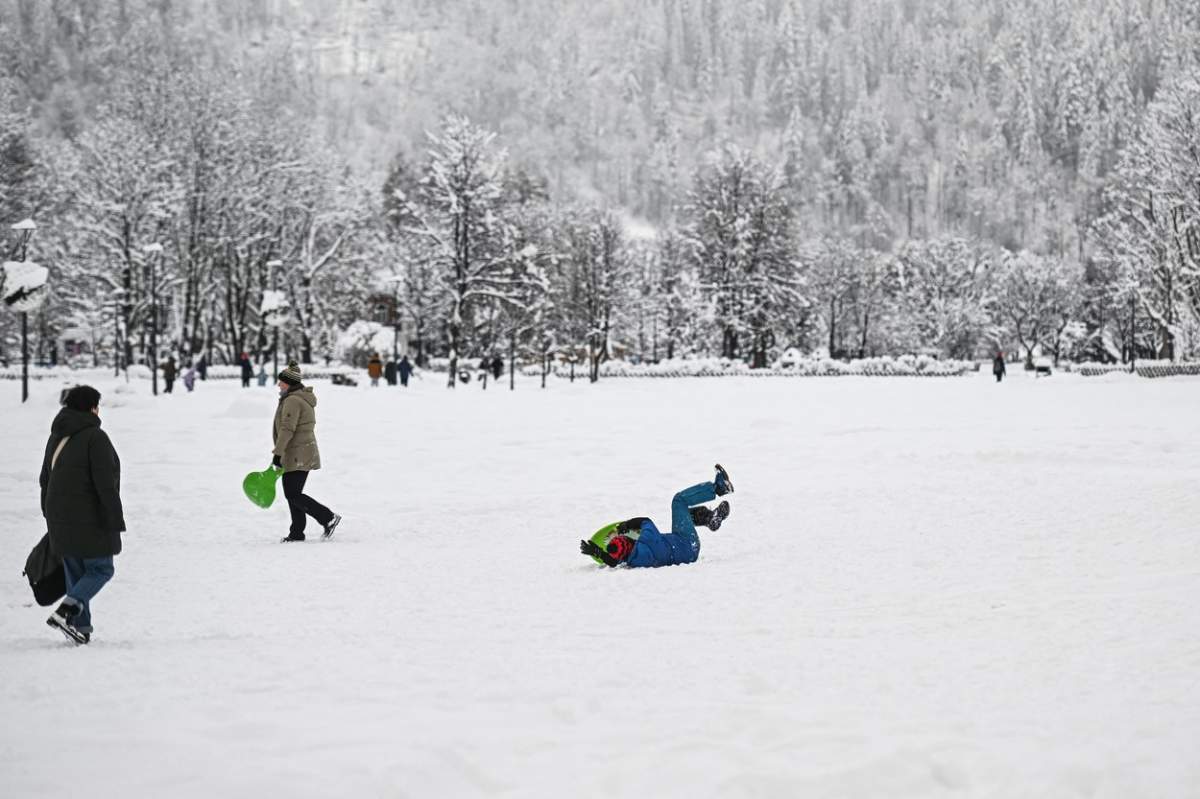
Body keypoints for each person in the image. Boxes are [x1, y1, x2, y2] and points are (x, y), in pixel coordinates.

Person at [41, 385, 125, 644]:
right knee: (101, 569)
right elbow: (105, 484)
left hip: (59, 516)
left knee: (76, 573)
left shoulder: (57, 436)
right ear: (92, 407)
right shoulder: (95, 437)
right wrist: (113, 518)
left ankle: (80, 630)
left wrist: (49, 513)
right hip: (90, 517)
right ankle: (69, 609)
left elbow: (45, 478)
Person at [580, 465, 734, 568]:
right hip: (687, 542)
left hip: (686, 555)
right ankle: (719, 487)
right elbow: (646, 521)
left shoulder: (635, 561)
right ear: (628, 541)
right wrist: (628, 524)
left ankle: (710, 518)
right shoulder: (647, 539)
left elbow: (614, 561)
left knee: (684, 517)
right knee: (679, 502)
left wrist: (597, 553)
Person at [273, 361, 341, 542]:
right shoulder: (298, 398)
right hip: (300, 452)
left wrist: (277, 453)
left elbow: (287, 429)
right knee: (292, 494)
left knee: (293, 494)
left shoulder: (293, 401)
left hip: (297, 454)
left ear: (289, 383)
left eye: (281, 382)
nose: (279, 385)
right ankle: (296, 533)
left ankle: (328, 517)